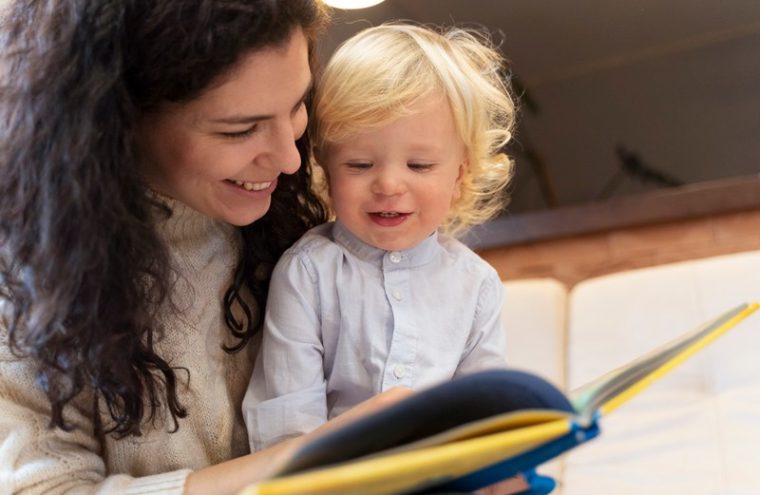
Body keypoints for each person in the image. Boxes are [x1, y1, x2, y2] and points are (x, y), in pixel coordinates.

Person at [0, 1, 411, 494]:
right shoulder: (24, 278)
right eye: (240, 129)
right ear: (118, 120)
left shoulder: (311, 209)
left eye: (298, 105)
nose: (287, 157)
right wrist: (311, 458)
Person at [243, 23, 516, 451]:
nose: (388, 185)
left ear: (460, 175)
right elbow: (288, 420)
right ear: (325, 170)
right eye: (359, 165)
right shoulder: (308, 273)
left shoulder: (476, 286)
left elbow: (482, 410)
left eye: (420, 165)